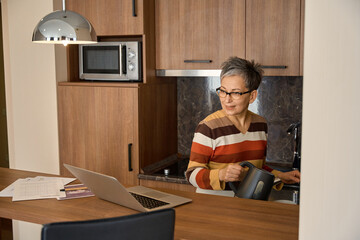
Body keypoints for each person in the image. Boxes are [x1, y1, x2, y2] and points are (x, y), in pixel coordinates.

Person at [185, 57, 301, 197]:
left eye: (236, 93)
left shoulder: (260, 125)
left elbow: (256, 168)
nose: (227, 99)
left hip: (248, 205)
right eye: (223, 91)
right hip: (214, 207)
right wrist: (221, 174)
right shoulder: (208, 128)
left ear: (252, 96)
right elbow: (192, 174)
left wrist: (281, 176)